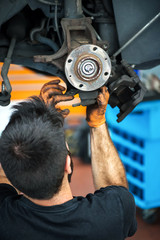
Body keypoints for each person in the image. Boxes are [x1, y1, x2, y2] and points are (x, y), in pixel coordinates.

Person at [0, 79, 137, 240]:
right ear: (68, 164)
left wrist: (37, 120)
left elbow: (6, 173)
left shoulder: (4, 219)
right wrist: (97, 123)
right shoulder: (112, 216)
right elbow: (117, 191)